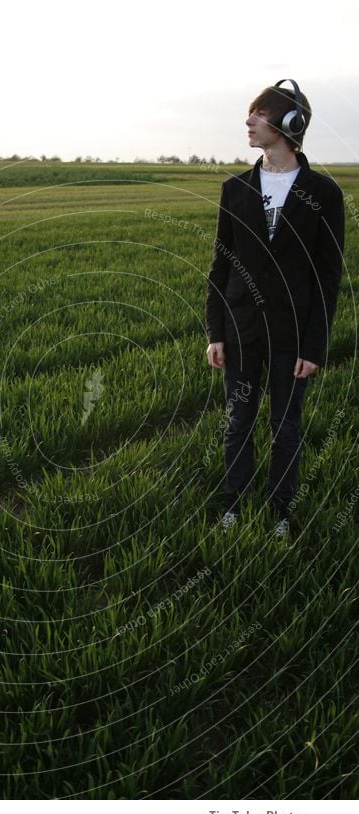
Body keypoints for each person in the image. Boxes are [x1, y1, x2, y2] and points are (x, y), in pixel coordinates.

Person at [205, 79, 345, 539]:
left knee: (285, 428)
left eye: (258, 114)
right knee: (238, 422)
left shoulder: (324, 194)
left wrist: (315, 344)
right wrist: (215, 332)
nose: (248, 121)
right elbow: (220, 265)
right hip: (241, 330)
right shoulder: (234, 189)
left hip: (291, 335)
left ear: (289, 124)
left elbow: (327, 278)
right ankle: (232, 503)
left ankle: (281, 511)